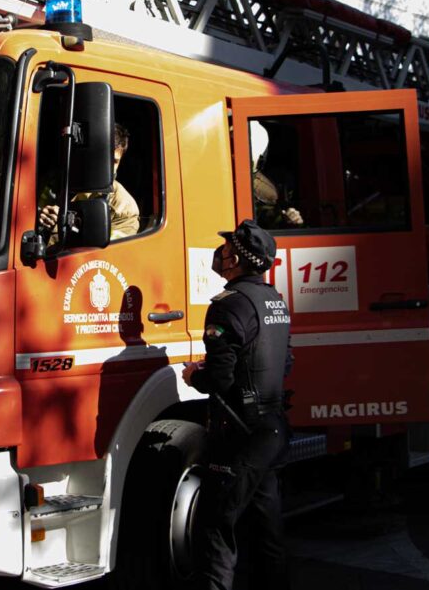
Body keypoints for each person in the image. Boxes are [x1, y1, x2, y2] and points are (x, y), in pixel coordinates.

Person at [182, 219, 293, 590]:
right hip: (272, 428)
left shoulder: (227, 307)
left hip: (239, 434)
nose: (222, 253)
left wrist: (193, 375)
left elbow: (220, 379)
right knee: (267, 530)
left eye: (228, 247)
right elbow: (286, 362)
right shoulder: (275, 301)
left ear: (238, 258)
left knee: (216, 529)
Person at [37, 122, 140, 241]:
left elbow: (106, 255)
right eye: (101, 157)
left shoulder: (124, 208)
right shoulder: (53, 181)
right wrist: (42, 218)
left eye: (114, 161)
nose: (106, 167)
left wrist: (68, 225)